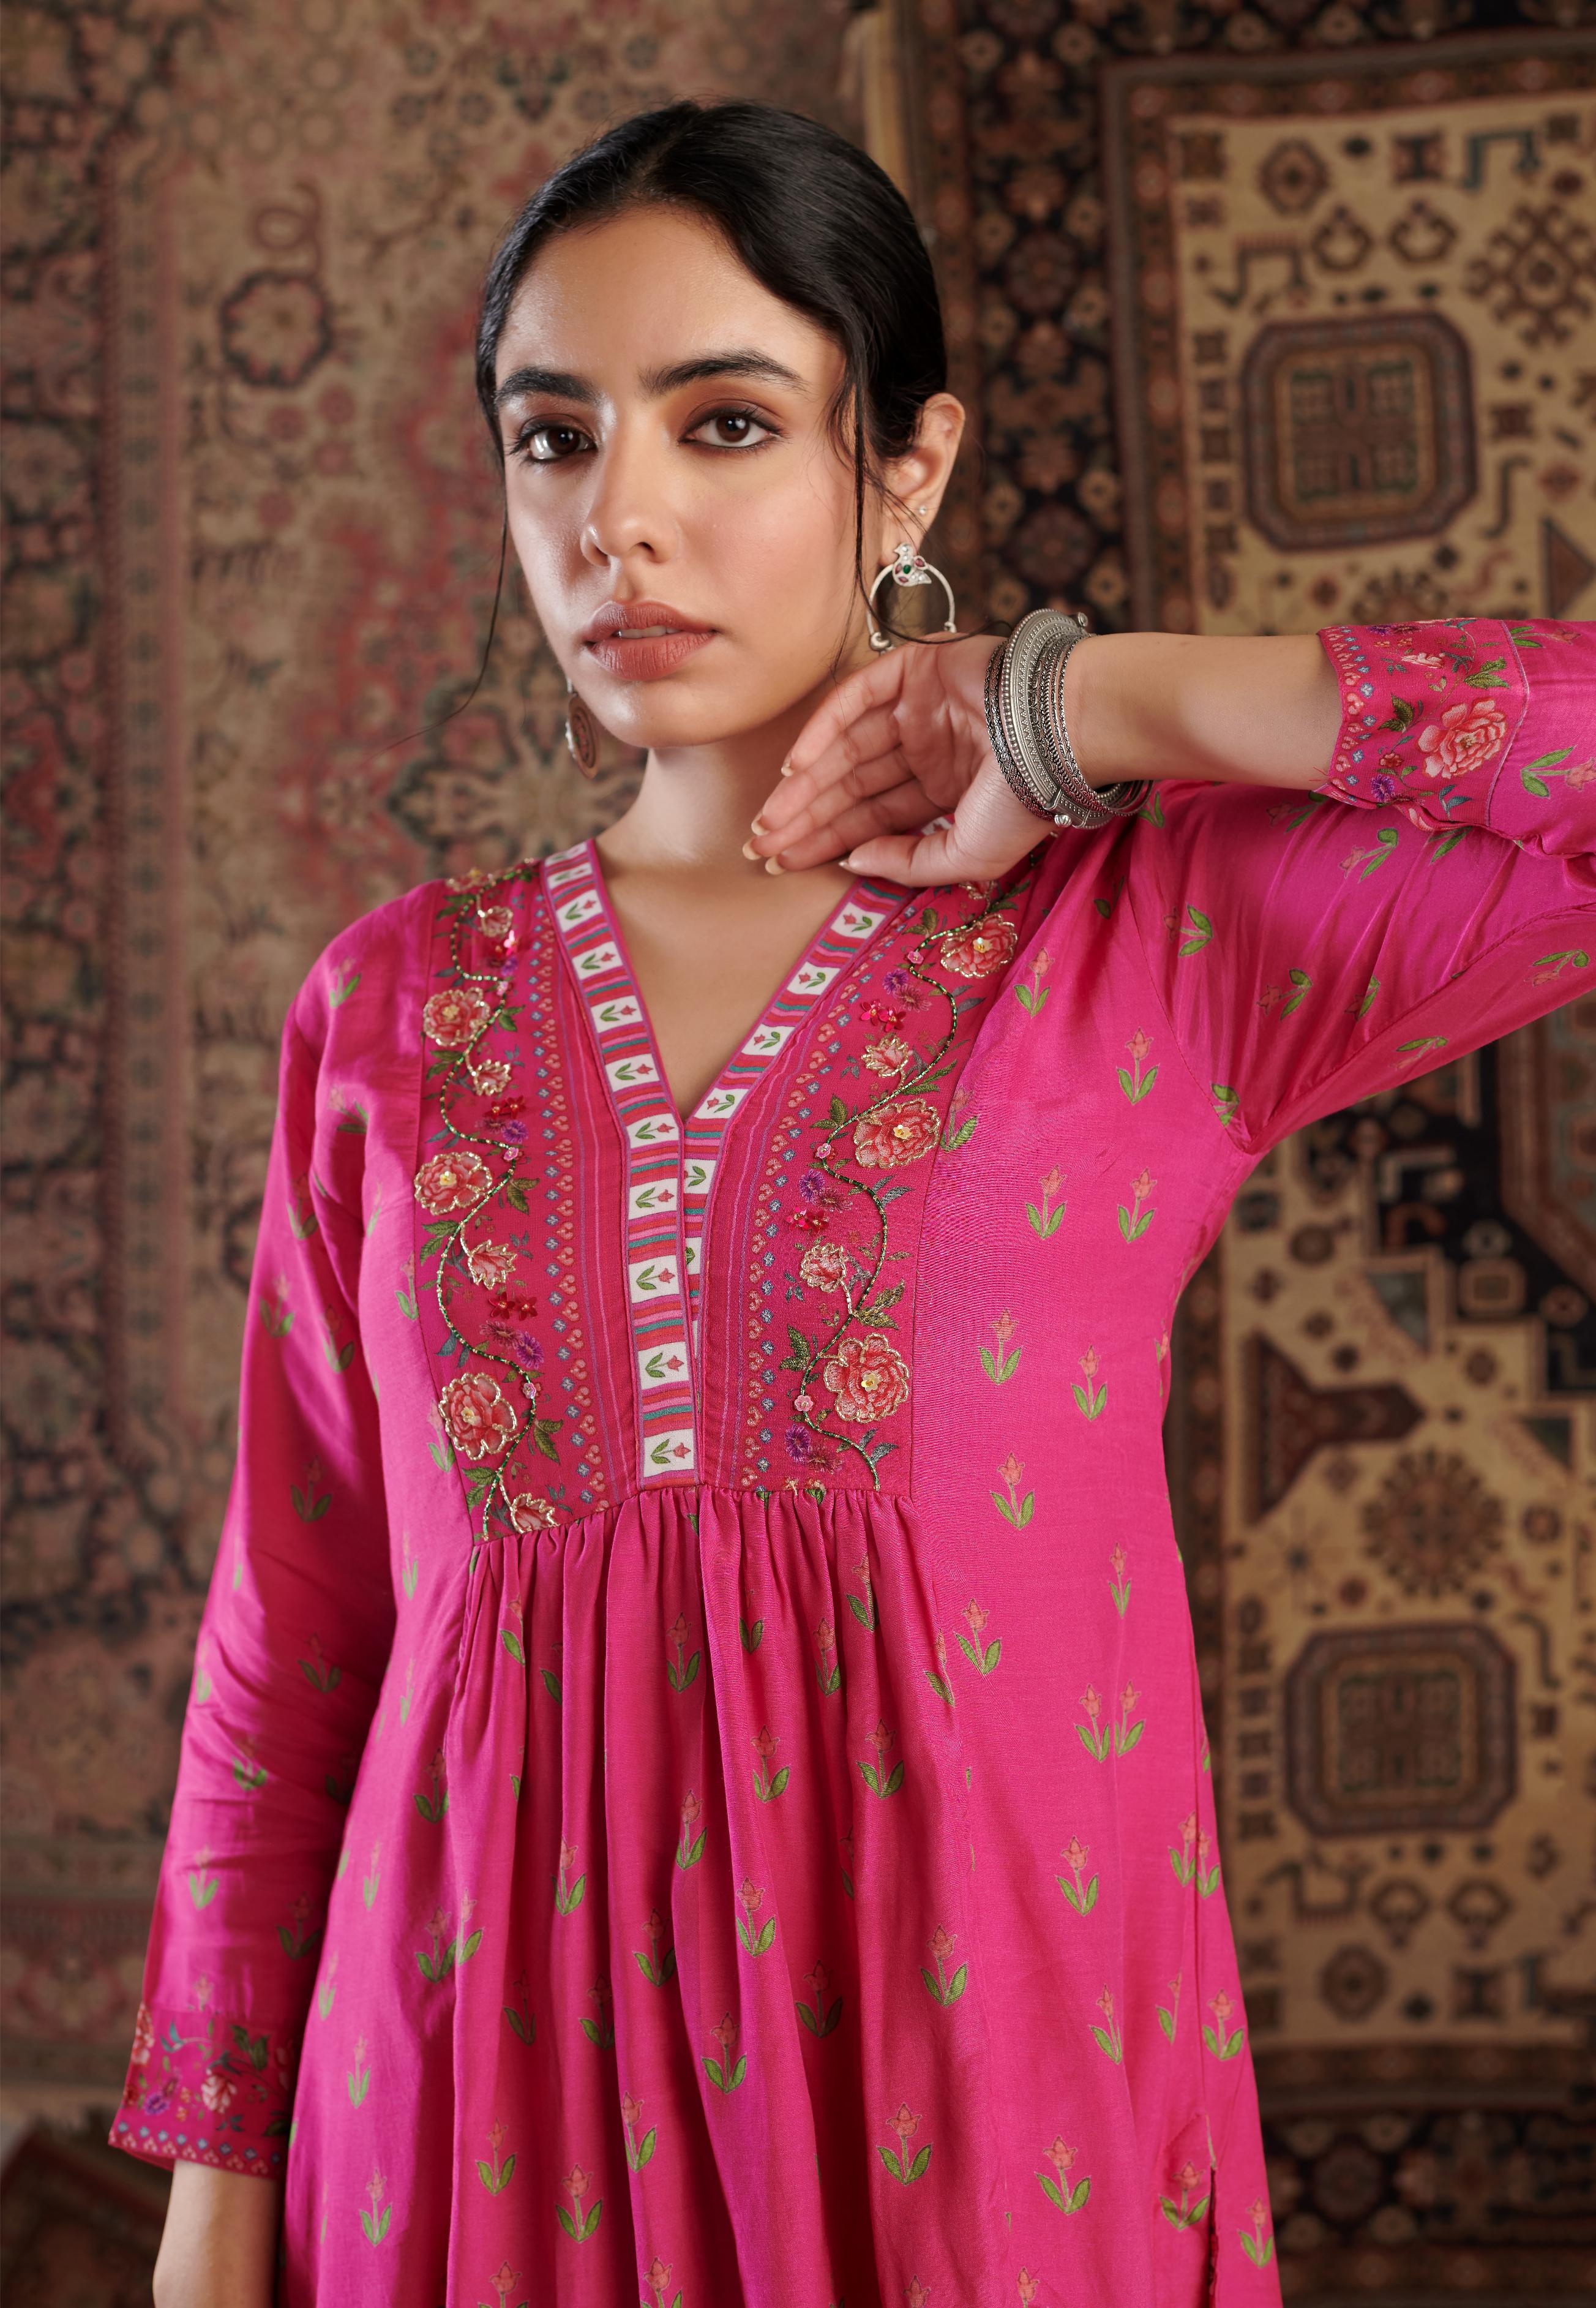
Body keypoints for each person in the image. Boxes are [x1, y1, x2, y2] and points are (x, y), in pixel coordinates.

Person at [116, 95, 1593, 2308]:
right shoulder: (393, 1007)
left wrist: (1078, 700)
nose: (616, 517)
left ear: (906, 468)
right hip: (453, 2150)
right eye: (552, 439)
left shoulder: (1143, 938)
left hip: (987, 2146)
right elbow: (291, 1643)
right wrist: (211, 2217)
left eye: (721, 423)